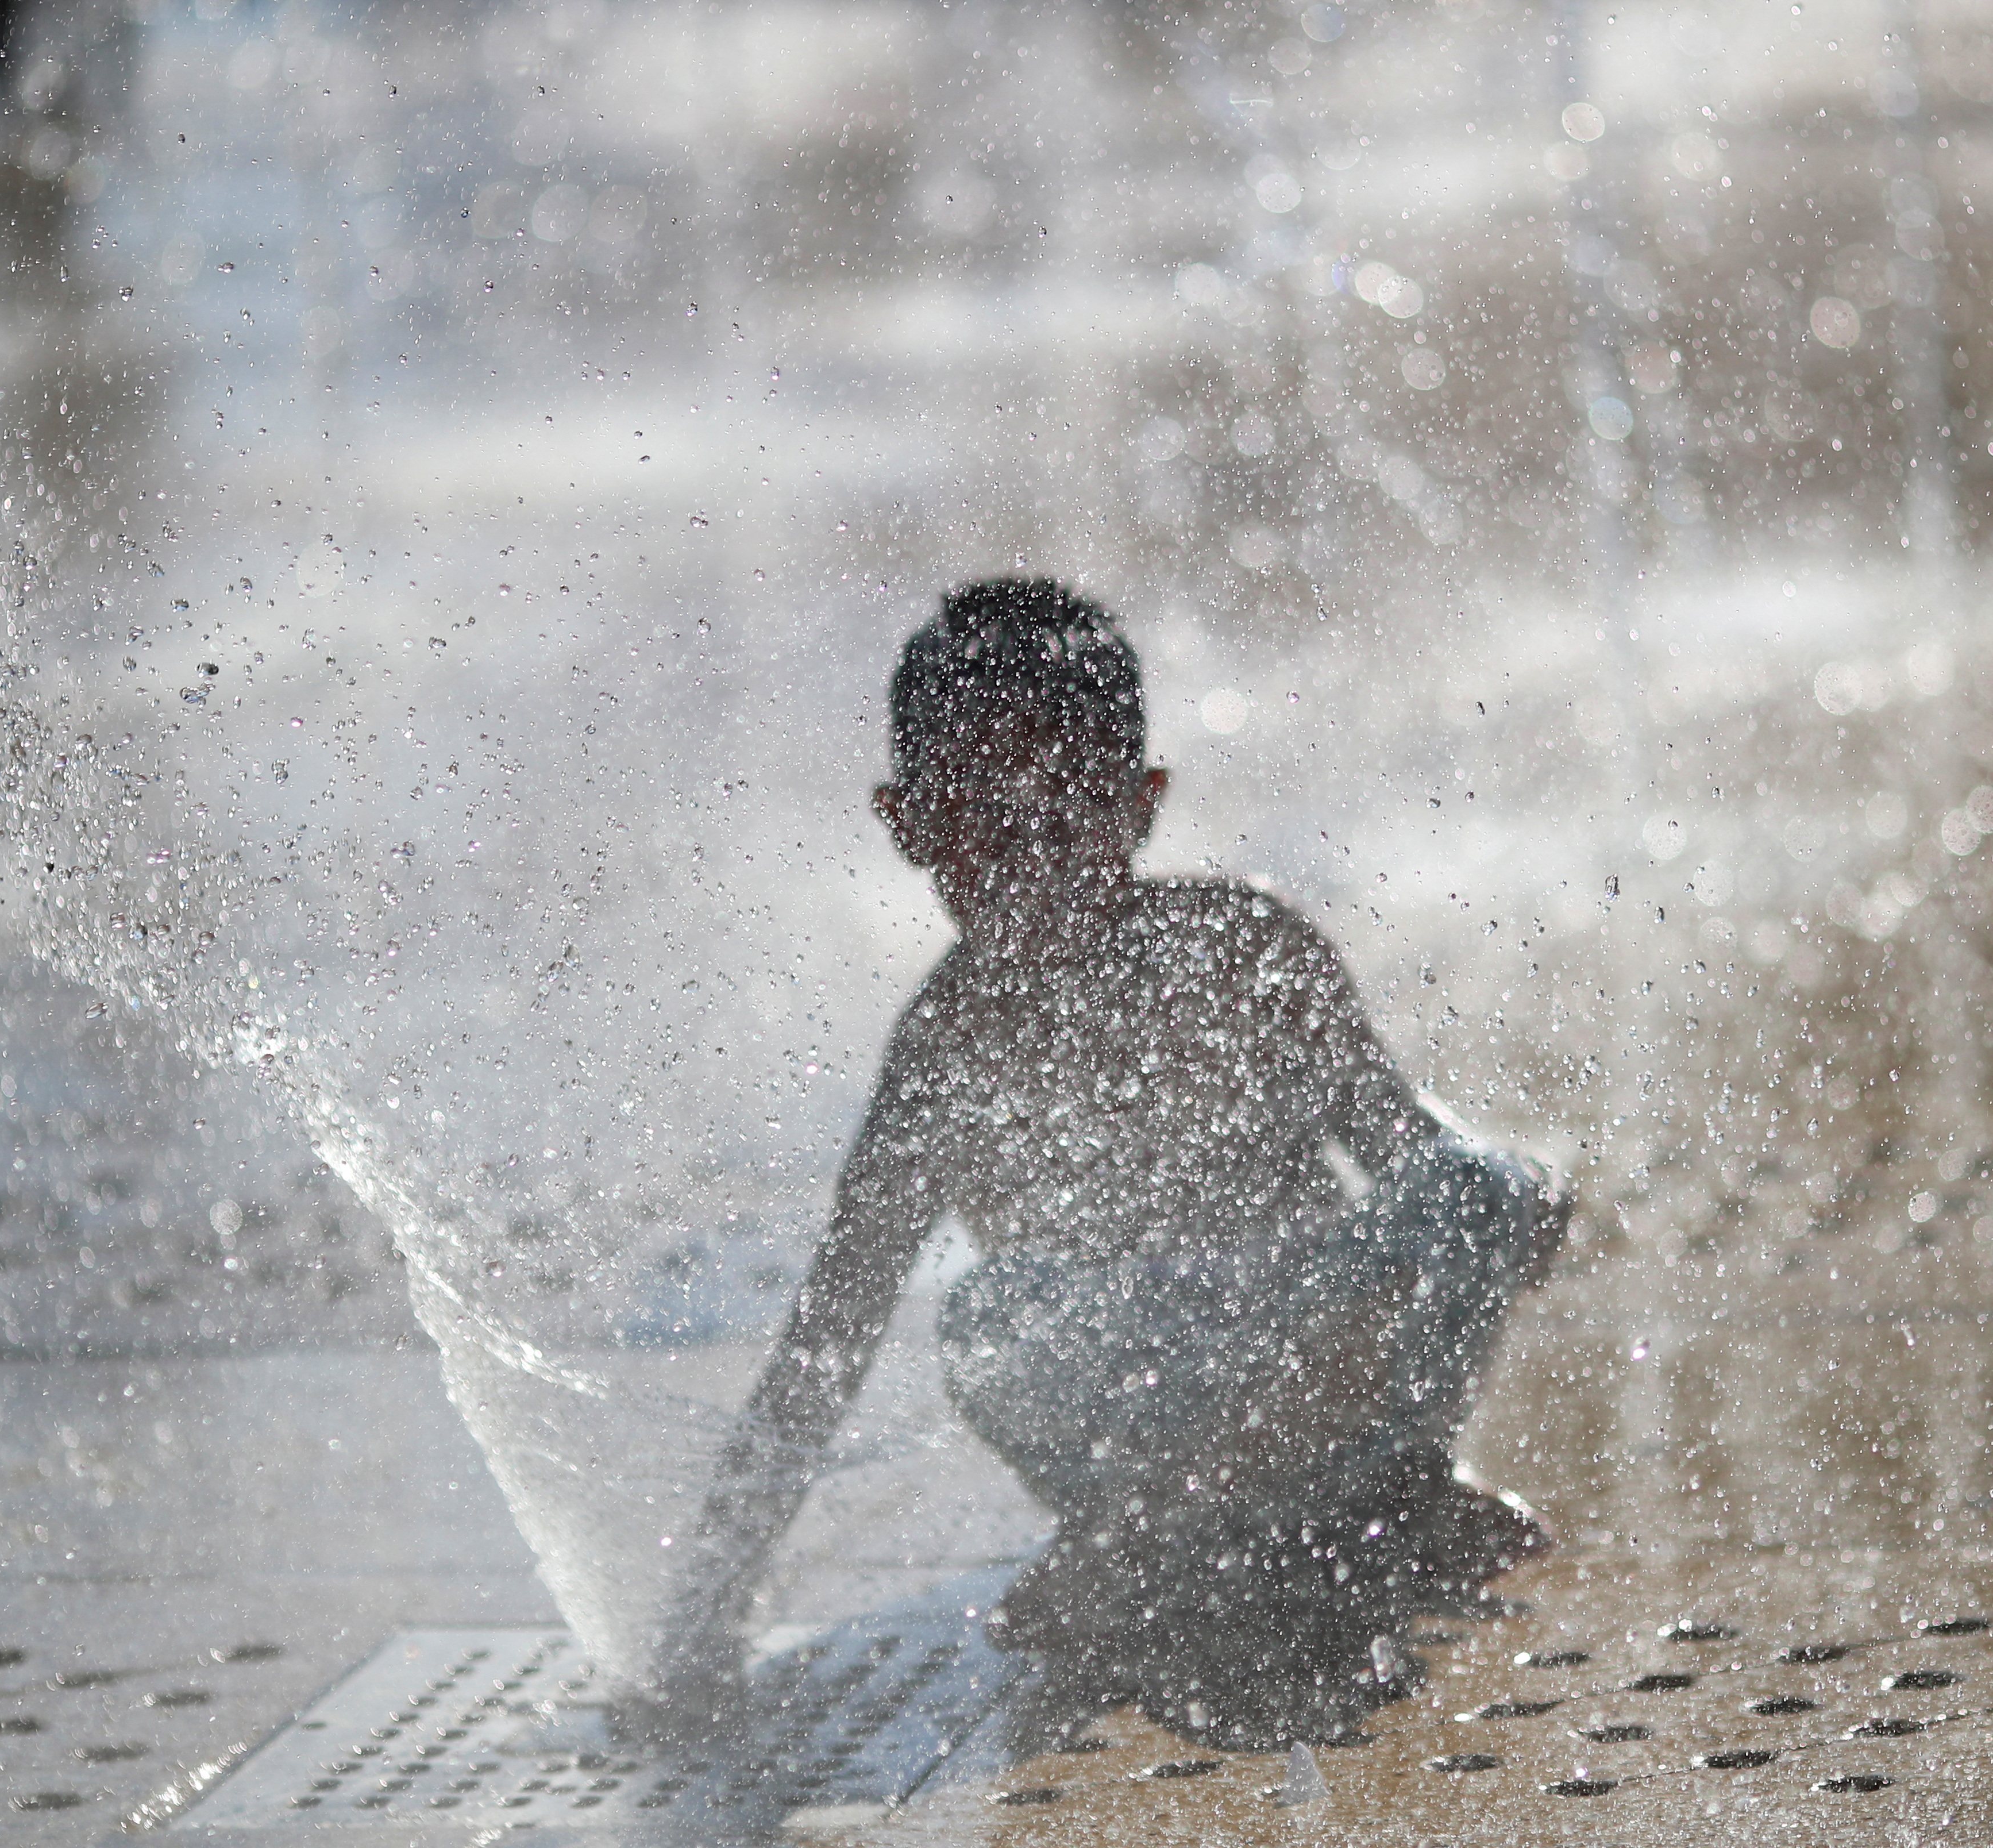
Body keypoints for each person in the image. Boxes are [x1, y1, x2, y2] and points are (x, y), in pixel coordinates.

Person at [658, 578, 1567, 1745]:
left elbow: (1412, 1158)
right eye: (989, 818)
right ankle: (1247, 1521)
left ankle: (1259, 1519)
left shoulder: (1247, 949)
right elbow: (823, 1348)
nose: (1034, 853)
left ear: (1139, 806)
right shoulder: (946, 1050)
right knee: (993, 1314)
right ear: (911, 826)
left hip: (1316, 1375)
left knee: (1475, 1187)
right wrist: (701, 1624)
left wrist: (1521, 1200)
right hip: (1131, 1424)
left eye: (1069, 810)